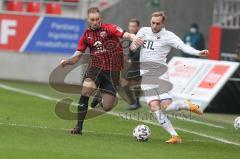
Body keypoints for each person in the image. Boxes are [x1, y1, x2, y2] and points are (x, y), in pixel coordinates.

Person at [60, 7, 143, 135]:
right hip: (96, 68)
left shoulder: (109, 28)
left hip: (113, 71)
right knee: (86, 89)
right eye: (92, 19)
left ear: (100, 18)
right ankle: (79, 127)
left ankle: (99, 96)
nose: (95, 22)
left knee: (107, 106)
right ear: (88, 19)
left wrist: (133, 37)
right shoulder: (86, 36)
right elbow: (77, 55)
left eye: (97, 19)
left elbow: (125, 34)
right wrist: (68, 61)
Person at [131, 11, 209, 144]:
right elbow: (133, 48)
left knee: (166, 106)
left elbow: (183, 46)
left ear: (163, 23)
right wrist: (135, 45)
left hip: (160, 74)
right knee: (155, 107)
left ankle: (187, 105)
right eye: (153, 23)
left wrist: (198, 52)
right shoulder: (143, 31)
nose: (154, 26)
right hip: (146, 76)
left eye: (157, 23)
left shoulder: (168, 36)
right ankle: (175, 136)